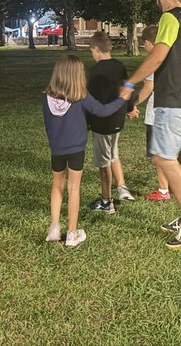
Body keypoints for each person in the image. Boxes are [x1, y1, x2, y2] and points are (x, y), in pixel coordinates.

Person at [120, 0, 181, 251]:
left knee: (163, 158)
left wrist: (129, 84)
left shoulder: (170, 17)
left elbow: (158, 56)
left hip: (174, 99)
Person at [43, 55, 130, 247]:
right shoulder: (81, 96)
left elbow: (47, 123)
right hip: (76, 149)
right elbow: (102, 111)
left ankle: (54, 227)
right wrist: (122, 99)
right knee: (74, 188)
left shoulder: (48, 97)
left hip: (56, 149)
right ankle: (72, 233)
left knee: (57, 185)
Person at [86, 30, 135, 214]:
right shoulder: (119, 66)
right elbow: (126, 88)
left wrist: (85, 121)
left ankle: (106, 201)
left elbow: (90, 101)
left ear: (96, 49)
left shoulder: (94, 72)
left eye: (92, 51)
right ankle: (121, 187)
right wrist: (130, 108)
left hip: (102, 123)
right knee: (113, 154)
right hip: (118, 119)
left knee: (103, 162)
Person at [127, 24, 171, 201]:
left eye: (144, 43)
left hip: (156, 113)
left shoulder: (154, 60)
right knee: (172, 152)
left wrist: (132, 104)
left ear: (148, 43)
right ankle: (176, 185)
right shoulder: (171, 57)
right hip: (172, 110)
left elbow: (148, 88)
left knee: (158, 155)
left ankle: (163, 190)